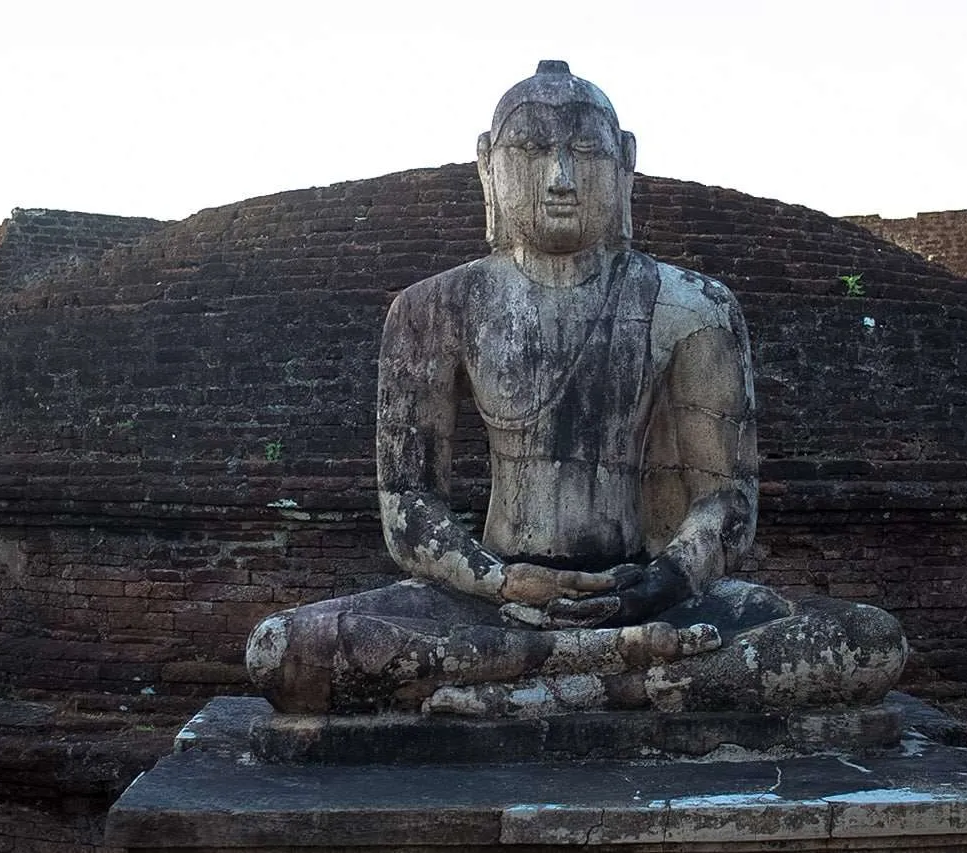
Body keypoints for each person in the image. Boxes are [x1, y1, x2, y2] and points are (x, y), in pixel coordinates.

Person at [246, 61, 906, 717]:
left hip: (648, 594)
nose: (560, 178)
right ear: (488, 164)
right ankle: (621, 677)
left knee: (867, 641)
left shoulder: (694, 306)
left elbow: (726, 504)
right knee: (282, 649)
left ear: (625, 164)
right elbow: (408, 507)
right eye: (532, 150)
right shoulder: (432, 308)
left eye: (585, 152)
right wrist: (498, 579)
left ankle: (570, 684)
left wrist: (656, 584)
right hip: (492, 602)